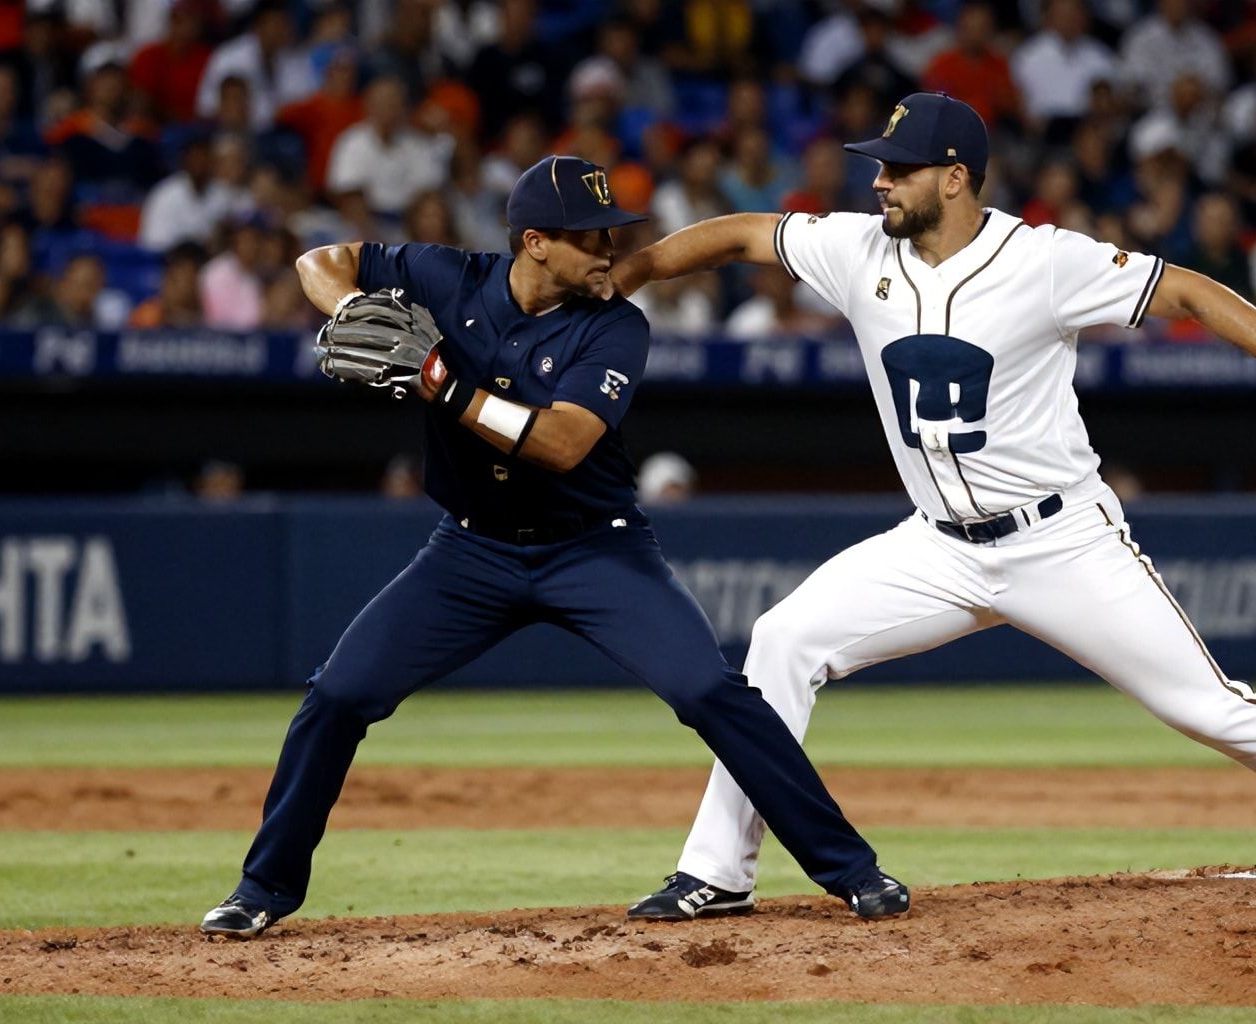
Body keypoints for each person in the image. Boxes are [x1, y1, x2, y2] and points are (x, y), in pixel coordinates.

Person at [612, 93, 1256, 921]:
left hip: (1062, 541)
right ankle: (718, 871)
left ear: (954, 178)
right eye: (879, 165)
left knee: (1210, 707)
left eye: (899, 168)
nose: (878, 181)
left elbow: (1184, 289)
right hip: (936, 548)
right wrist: (635, 271)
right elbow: (743, 234)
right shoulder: (857, 250)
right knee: (782, 639)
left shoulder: (1042, 261)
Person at [197, 156, 907, 940]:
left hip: (595, 552)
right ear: (535, 241)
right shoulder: (448, 278)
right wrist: (353, 309)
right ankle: (262, 888)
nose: (608, 249)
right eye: (589, 236)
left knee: (710, 692)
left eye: (610, 233)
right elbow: (321, 259)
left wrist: (443, 384)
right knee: (337, 696)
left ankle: (850, 870)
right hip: (470, 553)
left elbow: (562, 444)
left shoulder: (614, 323)